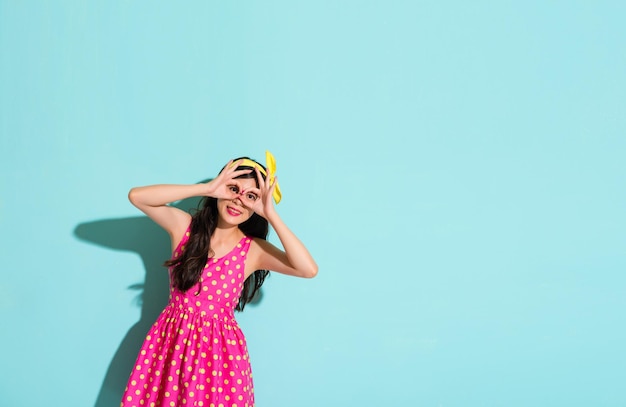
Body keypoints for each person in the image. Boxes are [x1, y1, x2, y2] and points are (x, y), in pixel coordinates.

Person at [120, 154, 318, 407]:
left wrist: (271, 214)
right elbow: (137, 197)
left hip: (219, 356)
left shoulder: (253, 250)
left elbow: (307, 269)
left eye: (251, 196)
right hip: (172, 342)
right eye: (233, 189)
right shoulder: (185, 229)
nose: (238, 200)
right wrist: (207, 188)